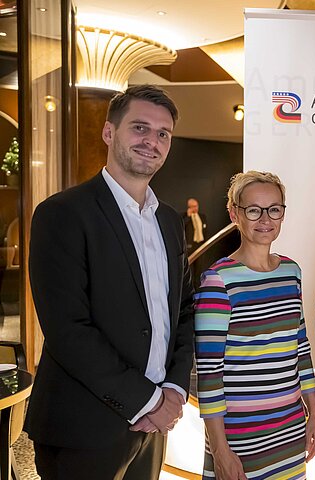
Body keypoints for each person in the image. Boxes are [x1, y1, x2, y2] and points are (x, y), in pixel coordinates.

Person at [26, 84, 194, 479]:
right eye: (140, 128)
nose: (151, 141)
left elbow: (184, 311)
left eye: (162, 134)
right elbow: (68, 329)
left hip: (153, 426)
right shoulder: (62, 214)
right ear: (109, 132)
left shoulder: (170, 221)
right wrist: (149, 400)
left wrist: (173, 390)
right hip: (84, 426)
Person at [194, 171, 315, 479]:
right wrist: (221, 451)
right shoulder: (218, 281)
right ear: (234, 213)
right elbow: (209, 376)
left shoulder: (291, 271)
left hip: (289, 431)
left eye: (274, 209)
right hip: (239, 439)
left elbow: (301, 348)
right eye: (254, 210)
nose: (265, 219)